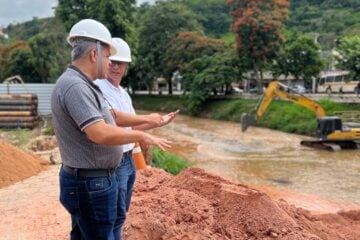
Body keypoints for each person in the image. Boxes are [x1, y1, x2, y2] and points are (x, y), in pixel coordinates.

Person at [51, 19, 173, 240]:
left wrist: (151, 121)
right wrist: (141, 134)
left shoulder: (85, 84)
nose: (110, 64)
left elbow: (112, 116)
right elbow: (100, 132)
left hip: (91, 180)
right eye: (108, 56)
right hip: (90, 183)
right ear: (94, 55)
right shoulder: (76, 86)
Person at [95, 38, 179, 239]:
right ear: (105, 61)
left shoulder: (123, 94)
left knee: (121, 213)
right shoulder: (97, 87)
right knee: (111, 215)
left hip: (127, 159)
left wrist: (158, 122)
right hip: (110, 160)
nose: (115, 67)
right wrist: (147, 118)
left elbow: (131, 125)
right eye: (112, 61)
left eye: (120, 63)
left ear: (126, 66)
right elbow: (113, 118)